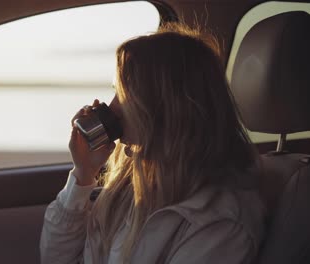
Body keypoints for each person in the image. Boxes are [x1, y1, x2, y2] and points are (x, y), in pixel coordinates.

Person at [40, 22, 265, 264]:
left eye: (124, 95)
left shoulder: (218, 223)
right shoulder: (131, 187)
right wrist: (84, 173)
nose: (111, 108)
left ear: (164, 107)